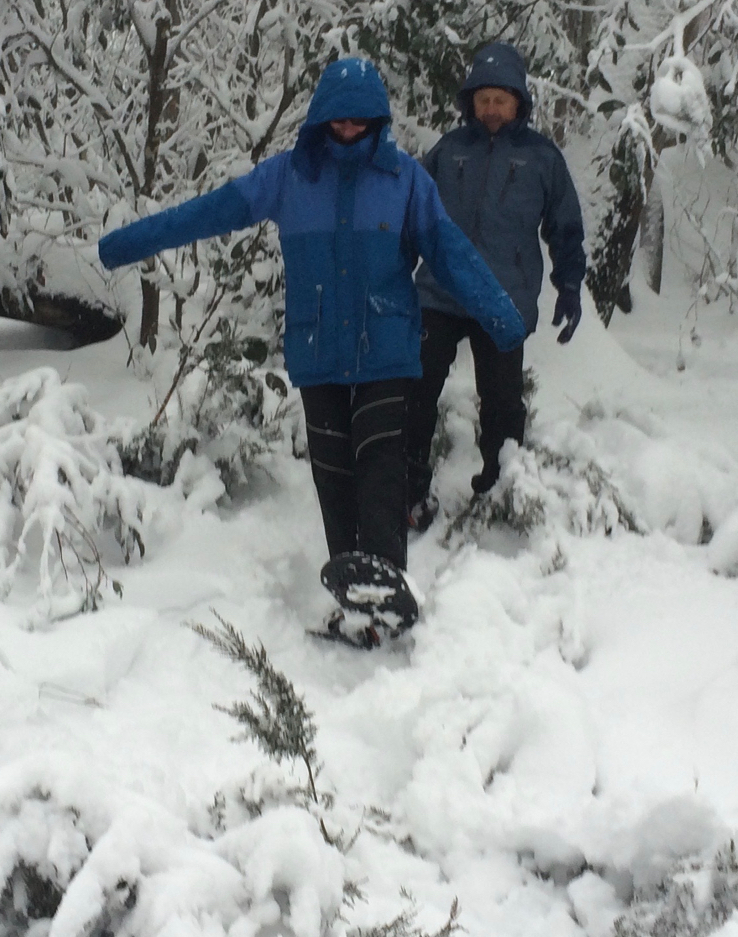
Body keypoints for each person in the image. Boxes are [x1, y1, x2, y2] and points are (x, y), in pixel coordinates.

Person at [98, 56, 526, 639]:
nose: (348, 131)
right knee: (332, 471)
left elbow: (449, 250)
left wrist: (500, 314)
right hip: (318, 347)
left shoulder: (403, 180)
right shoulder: (288, 176)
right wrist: (128, 243)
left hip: (385, 346)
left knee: (379, 465)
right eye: (338, 121)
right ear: (320, 118)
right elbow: (209, 212)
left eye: (360, 121)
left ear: (377, 120)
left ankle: (386, 586)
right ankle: (351, 593)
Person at [407, 41, 586, 526]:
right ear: (471, 102)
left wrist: (569, 284)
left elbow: (565, 224)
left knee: (503, 402)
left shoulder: (541, 157)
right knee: (415, 388)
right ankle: (409, 495)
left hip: (503, 297)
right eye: (483, 100)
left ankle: (498, 491)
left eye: (500, 101)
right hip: (440, 292)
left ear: (518, 103)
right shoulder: (449, 150)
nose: (491, 110)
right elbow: (413, 215)